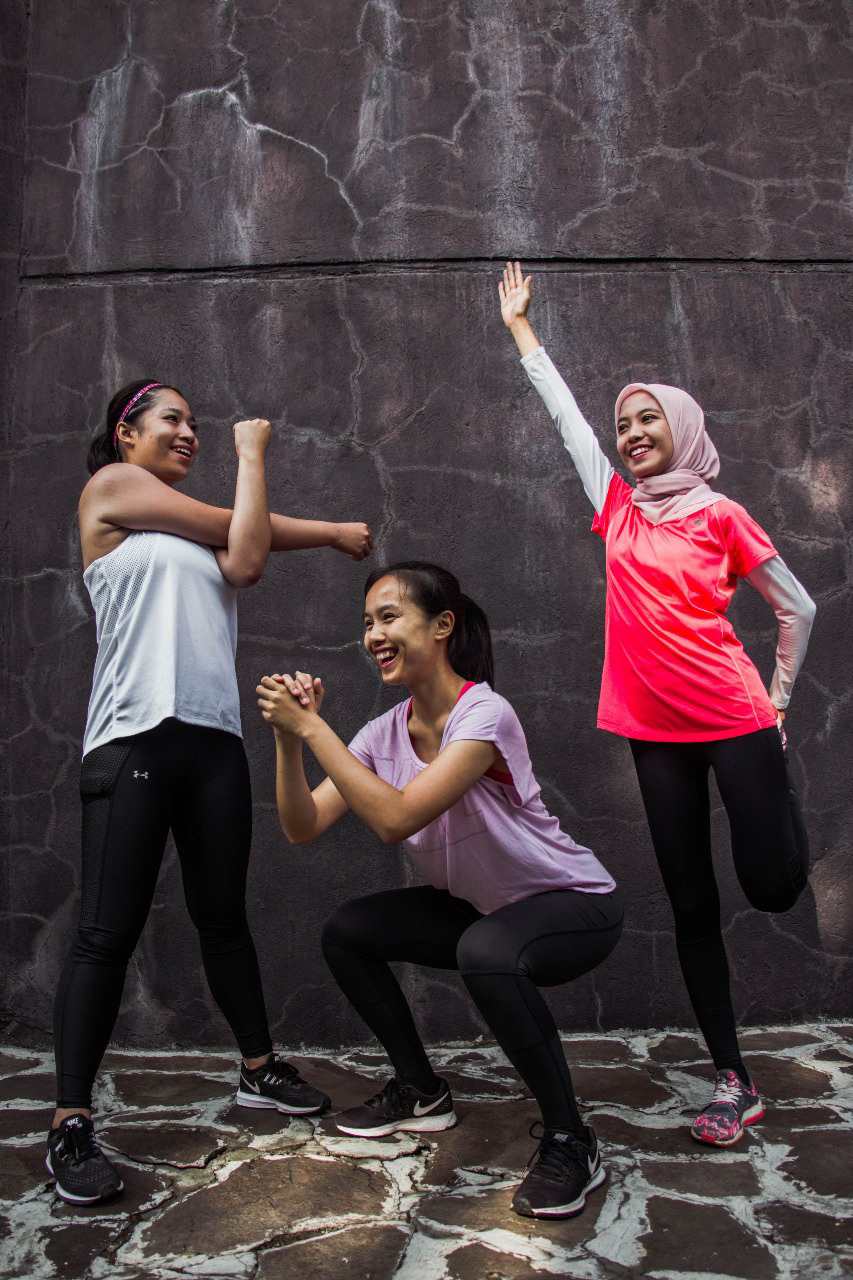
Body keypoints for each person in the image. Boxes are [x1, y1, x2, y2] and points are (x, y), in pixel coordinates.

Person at [498, 262, 816, 1148]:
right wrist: (521, 329)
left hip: (737, 718)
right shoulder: (617, 508)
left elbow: (797, 608)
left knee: (772, 887)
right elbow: (564, 416)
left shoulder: (721, 515)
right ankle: (732, 1079)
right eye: (624, 425)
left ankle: (779, 798)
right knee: (690, 903)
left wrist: (777, 704)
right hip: (654, 733)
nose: (631, 434)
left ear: (680, 430)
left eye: (647, 420)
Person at [48, 379, 374, 1204]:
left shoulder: (196, 531)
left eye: (196, 424)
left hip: (213, 741)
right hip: (133, 737)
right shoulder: (113, 489)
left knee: (223, 919)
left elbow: (244, 552)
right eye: (173, 420)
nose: (189, 432)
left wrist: (334, 534)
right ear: (127, 433)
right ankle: (70, 1122)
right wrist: (253, 453)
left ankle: (258, 1069)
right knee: (105, 935)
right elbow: (247, 542)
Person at [256, 561, 623, 1220]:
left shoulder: (484, 714)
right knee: (348, 933)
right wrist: (289, 741)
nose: (373, 635)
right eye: (367, 623)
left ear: (442, 625)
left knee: (486, 952)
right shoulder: (382, 734)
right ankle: (419, 1091)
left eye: (389, 617)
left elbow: (396, 818)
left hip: (573, 903)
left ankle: (572, 1139)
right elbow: (302, 826)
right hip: (482, 910)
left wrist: (313, 728)